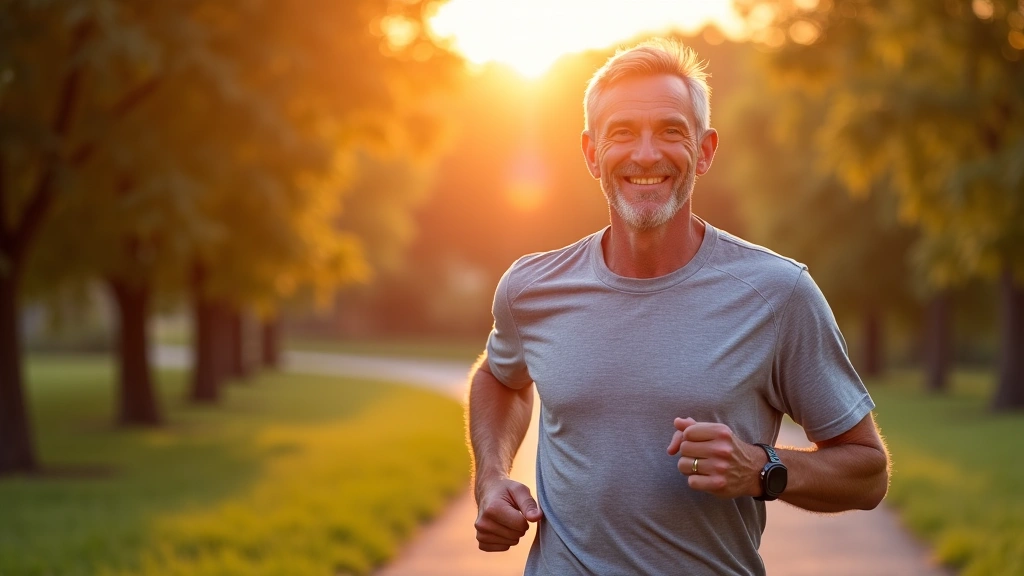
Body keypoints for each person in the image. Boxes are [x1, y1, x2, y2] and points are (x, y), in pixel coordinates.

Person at [467, 38, 890, 576]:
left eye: (671, 131)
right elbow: (500, 379)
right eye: (622, 133)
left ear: (706, 149)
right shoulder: (532, 287)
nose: (646, 154)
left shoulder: (779, 294)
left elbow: (868, 473)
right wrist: (491, 478)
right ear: (592, 153)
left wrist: (764, 469)